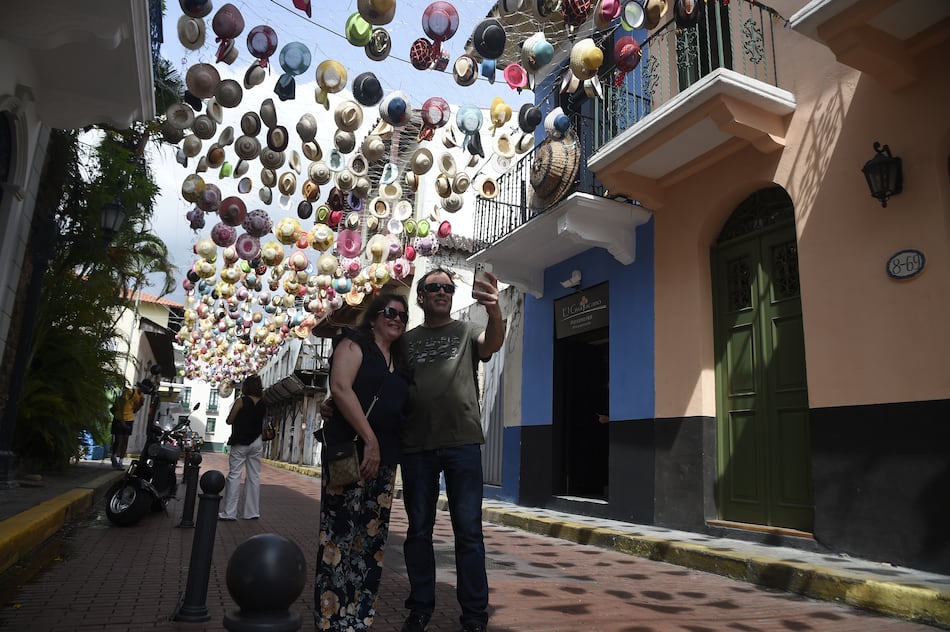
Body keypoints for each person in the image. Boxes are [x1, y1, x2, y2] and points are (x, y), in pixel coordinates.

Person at [400, 266, 505, 632]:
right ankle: (420, 606)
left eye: (447, 287)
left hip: (462, 443)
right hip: (416, 446)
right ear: (422, 298)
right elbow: (388, 383)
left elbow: (491, 345)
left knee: (469, 532)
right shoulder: (406, 342)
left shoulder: (466, 331)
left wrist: (494, 310)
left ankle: (474, 616)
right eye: (434, 288)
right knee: (418, 532)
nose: (442, 292)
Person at [314, 293, 411, 630]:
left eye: (402, 314)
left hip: (384, 462)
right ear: (373, 318)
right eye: (390, 312)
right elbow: (340, 388)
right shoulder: (354, 345)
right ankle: (331, 618)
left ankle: (358, 616)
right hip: (349, 453)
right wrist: (369, 440)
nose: (397, 318)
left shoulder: (402, 361)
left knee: (371, 541)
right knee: (338, 535)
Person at [218, 374, 267, 521]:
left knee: (234, 475)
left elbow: (229, 420)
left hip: (240, 442)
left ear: (246, 387)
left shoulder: (241, 401)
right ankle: (251, 512)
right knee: (254, 476)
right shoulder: (263, 403)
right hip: (257, 442)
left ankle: (229, 512)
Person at [110, 385, 143, 470]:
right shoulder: (130, 392)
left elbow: (134, 410)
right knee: (118, 440)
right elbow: (121, 406)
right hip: (119, 418)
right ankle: (113, 456)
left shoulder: (140, 397)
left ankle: (121, 461)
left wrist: (140, 405)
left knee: (125, 441)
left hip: (129, 420)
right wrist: (122, 421)